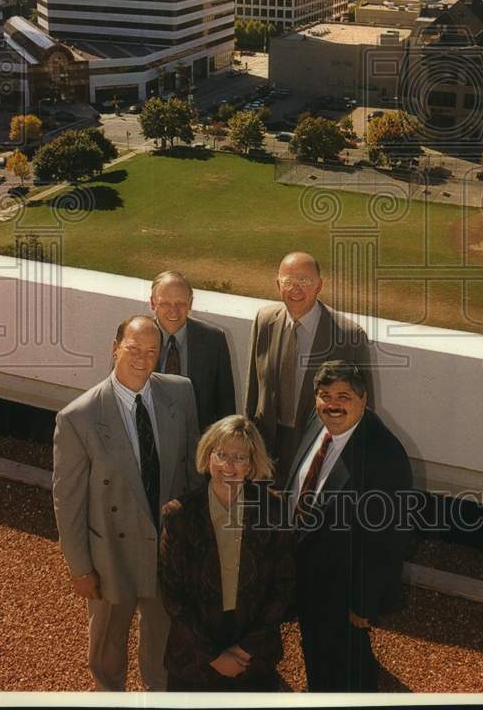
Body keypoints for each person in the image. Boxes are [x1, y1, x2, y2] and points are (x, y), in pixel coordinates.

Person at [52, 314, 200, 692]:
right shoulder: (78, 417)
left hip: (166, 547)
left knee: (163, 636)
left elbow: (192, 474)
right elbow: (67, 501)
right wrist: (80, 567)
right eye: (134, 349)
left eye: (152, 351)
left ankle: (159, 693)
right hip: (110, 555)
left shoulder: (181, 393)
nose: (143, 358)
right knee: (107, 645)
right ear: (115, 349)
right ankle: (108, 695)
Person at [286, 360, 412, 692]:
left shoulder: (385, 456)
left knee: (345, 671)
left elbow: (388, 540)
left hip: (342, 591)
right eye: (325, 395)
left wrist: (364, 603)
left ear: (363, 399)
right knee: (318, 656)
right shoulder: (317, 421)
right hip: (307, 576)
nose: (333, 404)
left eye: (343, 395)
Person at [159, 415, 295, 691]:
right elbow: (173, 597)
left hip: (253, 658)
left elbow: (283, 586)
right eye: (221, 454)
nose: (228, 466)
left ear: (252, 464)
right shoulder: (179, 516)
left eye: (240, 457)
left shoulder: (274, 510)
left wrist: (245, 650)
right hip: (194, 658)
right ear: (208, 457)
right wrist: (214, 657)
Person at [245, 251, 372, 482]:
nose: (296, 289)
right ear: (277, 284)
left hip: (319, 450)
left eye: (304, 281)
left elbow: (363, 406)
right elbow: (253, 389)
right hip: (266, 448)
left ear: (319, 285)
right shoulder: (264, 321)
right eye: (288, 281)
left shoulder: (348, 336)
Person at [150, 269, 236, 431]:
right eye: (165, 303)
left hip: (198, 444)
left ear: (190, 303)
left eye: (180, 303)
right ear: (152, 303)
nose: (173, 310)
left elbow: (226, 405)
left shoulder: (214, 340)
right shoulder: (134, 337)